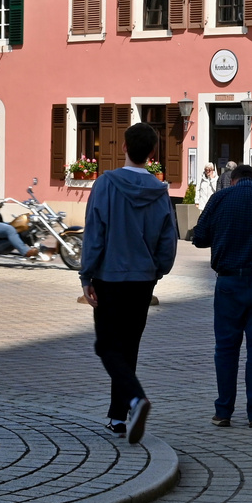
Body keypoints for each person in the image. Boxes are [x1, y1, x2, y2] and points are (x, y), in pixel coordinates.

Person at [80, 122, 178, 443]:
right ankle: (117, 417)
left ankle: (135, 401)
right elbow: (168, 240)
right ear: (152, 154)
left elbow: (95, 233)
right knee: (129, 346)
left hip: (109, 277)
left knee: (108, 346)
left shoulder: (105, 184)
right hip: (142, 280)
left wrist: (86, 275)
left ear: (124, 147)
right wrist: (157, 271)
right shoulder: (160, 192)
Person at [190, 163, 252, 428]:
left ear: (233, 180)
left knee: (225, 348)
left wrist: (224, 234)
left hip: (229, 281)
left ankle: (223, 411)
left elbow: (199, 238)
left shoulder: (220, 197)